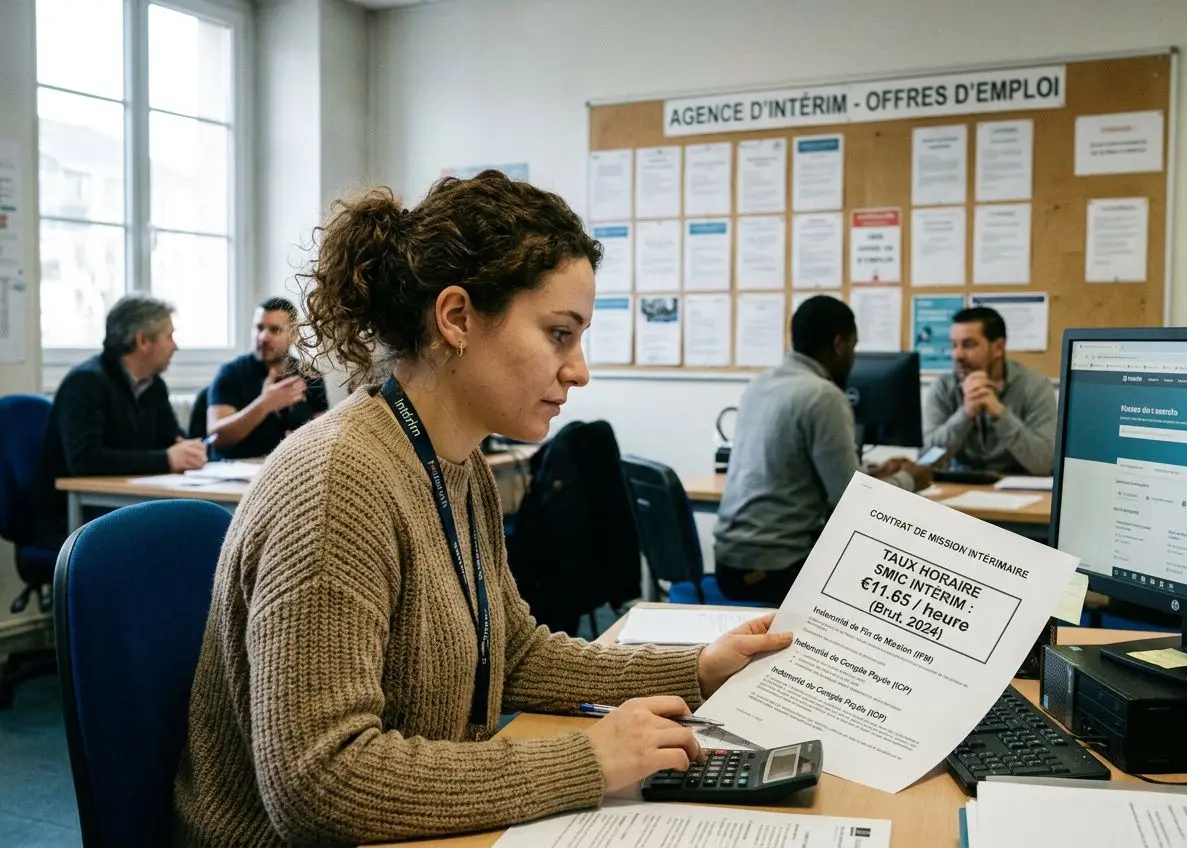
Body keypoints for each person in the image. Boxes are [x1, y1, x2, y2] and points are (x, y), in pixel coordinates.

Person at [172, 172, 792, 846]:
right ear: (457, 318)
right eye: (560, 333)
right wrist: (587, 760)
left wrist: (696, 670)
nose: (579, 370)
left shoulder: (453, 461)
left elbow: (512, 654)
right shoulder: (335, 483)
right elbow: (322, 782)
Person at [712, 296, 933, 606]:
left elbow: (796, 467)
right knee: (891, 586)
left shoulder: (760, 384)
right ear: (839, 344)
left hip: (729, 565)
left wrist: (871, 473)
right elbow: (852, 501)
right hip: (777, 570)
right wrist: (910, 480)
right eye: (854, 347)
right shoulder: (823, 395)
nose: (853, 358)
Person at [33, 294, 206, 549]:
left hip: (127, 509)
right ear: (142, 340)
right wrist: (167, 459)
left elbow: (171, 437)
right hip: (77, 521)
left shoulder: (153, 385)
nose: (175, 346)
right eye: (169, 336)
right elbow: (85, 460)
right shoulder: (85, 383)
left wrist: (187, 449)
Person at [922, 306, 1057, 475]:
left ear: (998, 348)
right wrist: (965, 414)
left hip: (1020, 491)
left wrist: (1000, 414)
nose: (958, 355)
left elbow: (1044, 464)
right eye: (954, 345)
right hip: (958, 487)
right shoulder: (943, 388)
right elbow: (926, 460)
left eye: (968, 345)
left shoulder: (1035, 386)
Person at [205, 296, 329, 459]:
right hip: (236, 471)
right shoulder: (231, 373)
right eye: (259, 328)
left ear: (293, 335)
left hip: (288, 469)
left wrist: (302, 441)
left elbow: (323, 434)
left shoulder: (309, 375)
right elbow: (217, 438)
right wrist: (265, 404)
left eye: (274, 330)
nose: (263, 337)